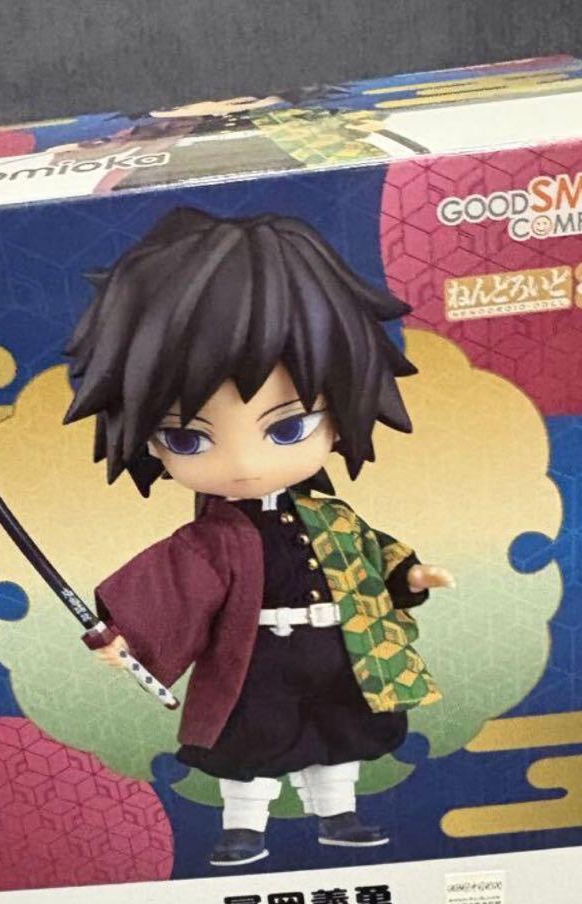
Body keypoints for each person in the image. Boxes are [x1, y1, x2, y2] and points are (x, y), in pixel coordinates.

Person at [64, 208, 452, 867]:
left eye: (287, 427)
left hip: (336, 646)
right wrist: (124, 633)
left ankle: (338, 813)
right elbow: (171, 586)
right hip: (257, 657)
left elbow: (370, 552)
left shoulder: (332, 516)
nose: (244, 464)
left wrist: (408, 576)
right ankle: (244, 826)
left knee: (339, 733)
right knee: (253, 745)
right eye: (187, 437)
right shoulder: (212, 539)